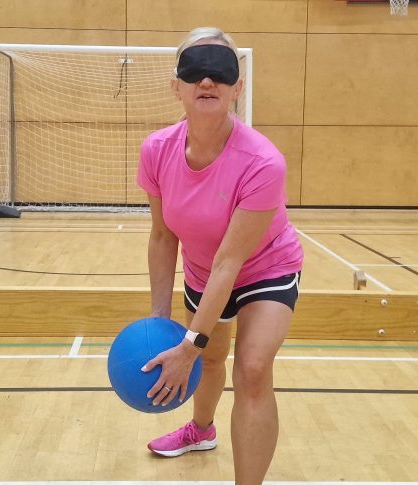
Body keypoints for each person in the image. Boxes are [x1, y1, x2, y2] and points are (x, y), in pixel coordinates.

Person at [136, 26, 305, 485]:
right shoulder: (157, 150)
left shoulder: (263, 162)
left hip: (264, 267)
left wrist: (188, 344)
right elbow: (161, 235)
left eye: (220, 70)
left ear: (237, 86)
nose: (206, 81)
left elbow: (232, 262)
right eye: (195, 70)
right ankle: (200, 430)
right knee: (210, 359)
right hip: (200, 269)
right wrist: (159, 323)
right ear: (177, 87)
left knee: (250, 370)